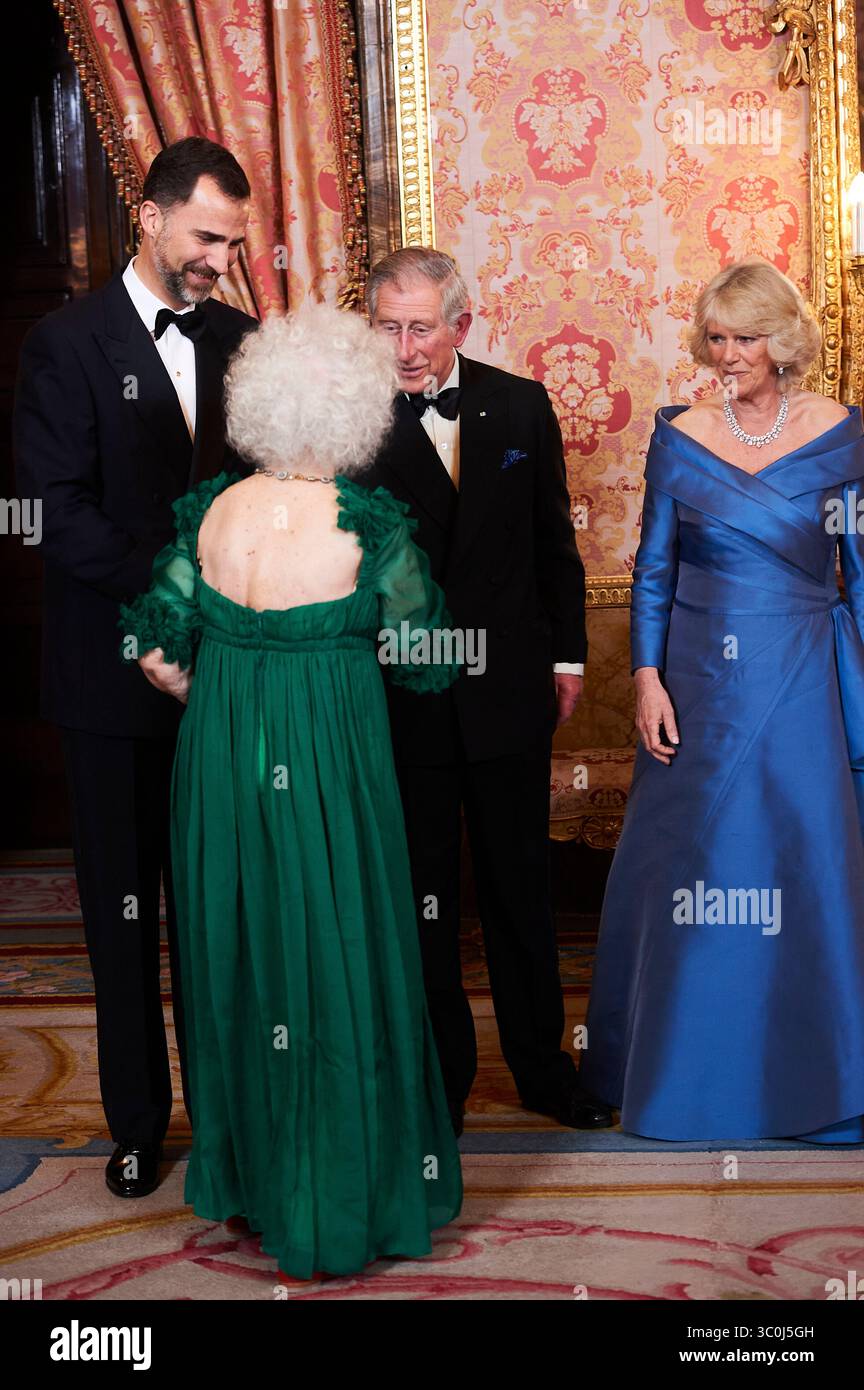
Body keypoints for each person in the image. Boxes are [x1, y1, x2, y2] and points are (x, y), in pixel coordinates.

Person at [118, 304, 463, 1280]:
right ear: (357, 411)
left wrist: (225, 683)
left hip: (220, 763)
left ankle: (257, 1184)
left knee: (244, 958)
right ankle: (339, 1192)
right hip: (327, 765)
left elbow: (151, 650)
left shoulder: (214, 511)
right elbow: (426, 657)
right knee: (335, 955)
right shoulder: (372, 520)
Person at [12, 136, 257, 1199]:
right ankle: (135, 1122)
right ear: (150, 217)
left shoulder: (246, 339)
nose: (219, 260)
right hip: (110, 678)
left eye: (234, 243)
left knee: (217, 909)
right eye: (207, 237)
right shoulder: (65, 343)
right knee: (122, 915)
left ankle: (230, 1121)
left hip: (225, 677)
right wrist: (169, 599)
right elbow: (52, 512)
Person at [581, 257, 864, 1141]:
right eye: (716, 338)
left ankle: (818, 1076)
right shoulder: (682, 436)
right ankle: (681, 1073)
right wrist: (646, 677)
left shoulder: (843, 436)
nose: (726, 355)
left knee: (801, 860)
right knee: (699, 869)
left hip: (805, 669)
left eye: (745, 339)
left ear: (783, 344)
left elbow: (857, 573)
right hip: (699, 679)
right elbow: (654, 568)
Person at [363, 247, 613, 1135]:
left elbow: (556, 544)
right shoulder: (350, 418)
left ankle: (545, 1069)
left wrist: (570, 660)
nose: (404, 348)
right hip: (405, 693)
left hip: (510, 686)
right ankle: (442, 1081)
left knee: (520, 889)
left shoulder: (519, 402)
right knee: (424, 895)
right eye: (387, 328)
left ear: (460, 326)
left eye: (420, 327)